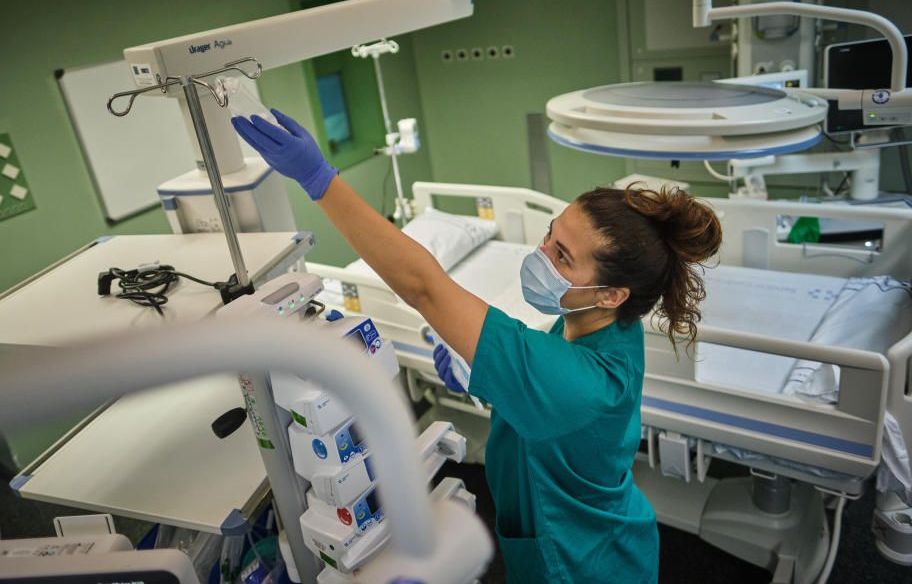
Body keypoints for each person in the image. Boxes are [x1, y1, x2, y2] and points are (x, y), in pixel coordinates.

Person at [232, 109, 723, 583]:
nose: (541, 255)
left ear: (613, 293)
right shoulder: (605, 323)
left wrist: (319, 178)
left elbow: (424, 286)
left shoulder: (580, 383)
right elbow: (551, 407)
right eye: (551, 235)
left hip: (577, 563)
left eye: (563, 257)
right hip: (604, 531)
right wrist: (491, 386)